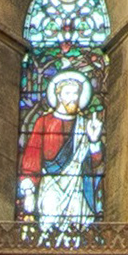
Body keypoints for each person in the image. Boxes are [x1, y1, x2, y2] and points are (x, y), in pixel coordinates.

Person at [18, 68, 100, 226]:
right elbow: (32, 156)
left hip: (77, 188)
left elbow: (95, 163)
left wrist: (94, 140)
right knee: (49, 224)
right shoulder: (44, 122)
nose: (72, 98)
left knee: (78, 227)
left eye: (76, 94)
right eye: (68, 93)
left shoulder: (85, 124)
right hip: (51, 185)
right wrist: (29, 191)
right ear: (59, 95)